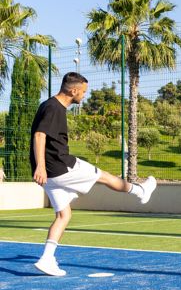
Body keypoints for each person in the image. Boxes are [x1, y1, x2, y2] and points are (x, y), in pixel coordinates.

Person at [30, 72, 157, 277]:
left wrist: (41, 167)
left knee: (64, 215)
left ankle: (46, 258)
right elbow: (39, 135)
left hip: (51, 175)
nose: (84, 95)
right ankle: (140, 191)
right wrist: (41, 166)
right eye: (84, 91)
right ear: (73, 90)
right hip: (61, 166)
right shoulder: (54, 108)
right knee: (104, 176)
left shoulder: (48, 105)